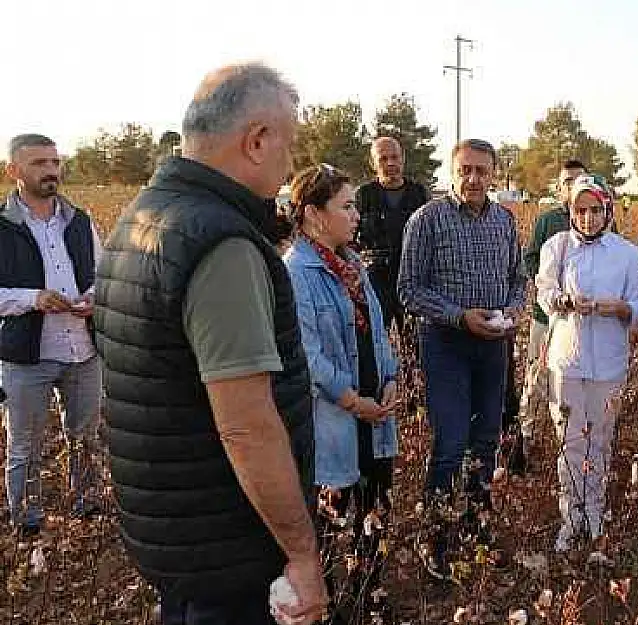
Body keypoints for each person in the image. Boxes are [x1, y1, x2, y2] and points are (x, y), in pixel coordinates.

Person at [94, 63, 326, 625]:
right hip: (230, 548)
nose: (289, 165)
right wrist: (301, 554)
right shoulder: (222, 246)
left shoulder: (144, 215)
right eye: (287, 147)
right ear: (256, 140)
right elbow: (246, 425)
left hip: (177, 535)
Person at [397, 138, 525, 578]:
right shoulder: (426, 220)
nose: (473, 179)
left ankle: (475, 527)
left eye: (482, 171)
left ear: (494, 174)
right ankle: (435, 535)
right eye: (465, 170)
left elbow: (518, 279)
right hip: (446, 344)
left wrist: (510, 310)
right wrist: (459, 316)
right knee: (450, 444)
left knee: (486, 440)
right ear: (453, 173)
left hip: (494, 344)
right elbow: (408, 290)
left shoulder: (505, 222)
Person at [284, 164, 399, 622]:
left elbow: (377, 332)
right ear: (314, 214)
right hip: (334, 417)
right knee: (332, 515)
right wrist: (353, 402)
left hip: (375, 409)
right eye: (346, 206)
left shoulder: (353, 265)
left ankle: (371, 591)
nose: (357, 215)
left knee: (376, 506)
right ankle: (325, 603)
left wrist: (389, 378)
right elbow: (307, 355)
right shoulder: (296, 273)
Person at [535, 174, 638, 551]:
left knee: (599, 439)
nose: (587, 218)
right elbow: (543, 290)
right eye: (579, 210)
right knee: (569, 441)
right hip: (567, 361)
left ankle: (595, 513)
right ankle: (571, 517)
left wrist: (621, 308)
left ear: (608, 211)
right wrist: (564, 302)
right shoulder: (556, 247)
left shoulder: (626, 253)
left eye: (594, 210)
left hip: (610, 361)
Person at [0, 133, 102, 536]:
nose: (51, 171)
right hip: (27, 356)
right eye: (39, 163)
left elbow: (102, 273)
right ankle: (27, 520)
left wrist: (94, 297)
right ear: (14, 171)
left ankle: (87, 506)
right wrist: (34, 298)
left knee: (86, 436)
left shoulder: (80, 222)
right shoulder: (3, 228)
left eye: (55, 162)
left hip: (83, 348)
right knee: (24, 444)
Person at [515, 159, 589, 472]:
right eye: (567, 182)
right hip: (546, 321)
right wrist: (549, 288)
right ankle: (523, 442)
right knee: (535, 379)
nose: (573, 187)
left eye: (578, 180)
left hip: (581, 324)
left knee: (573, 383)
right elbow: (529, 259)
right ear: (560, 190)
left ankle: (571, 448)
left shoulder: (596, 217)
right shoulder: (548, 222)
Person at [355, 136, 430, 333]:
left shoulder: (419, 194)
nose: (391, 163)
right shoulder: (364, 196)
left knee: (415, 342)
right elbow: (350, 239)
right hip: (375, 280)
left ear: (403, 159)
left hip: (413, 279)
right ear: (373, 163)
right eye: (383, 159)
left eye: (395, 157)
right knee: (376, 338)